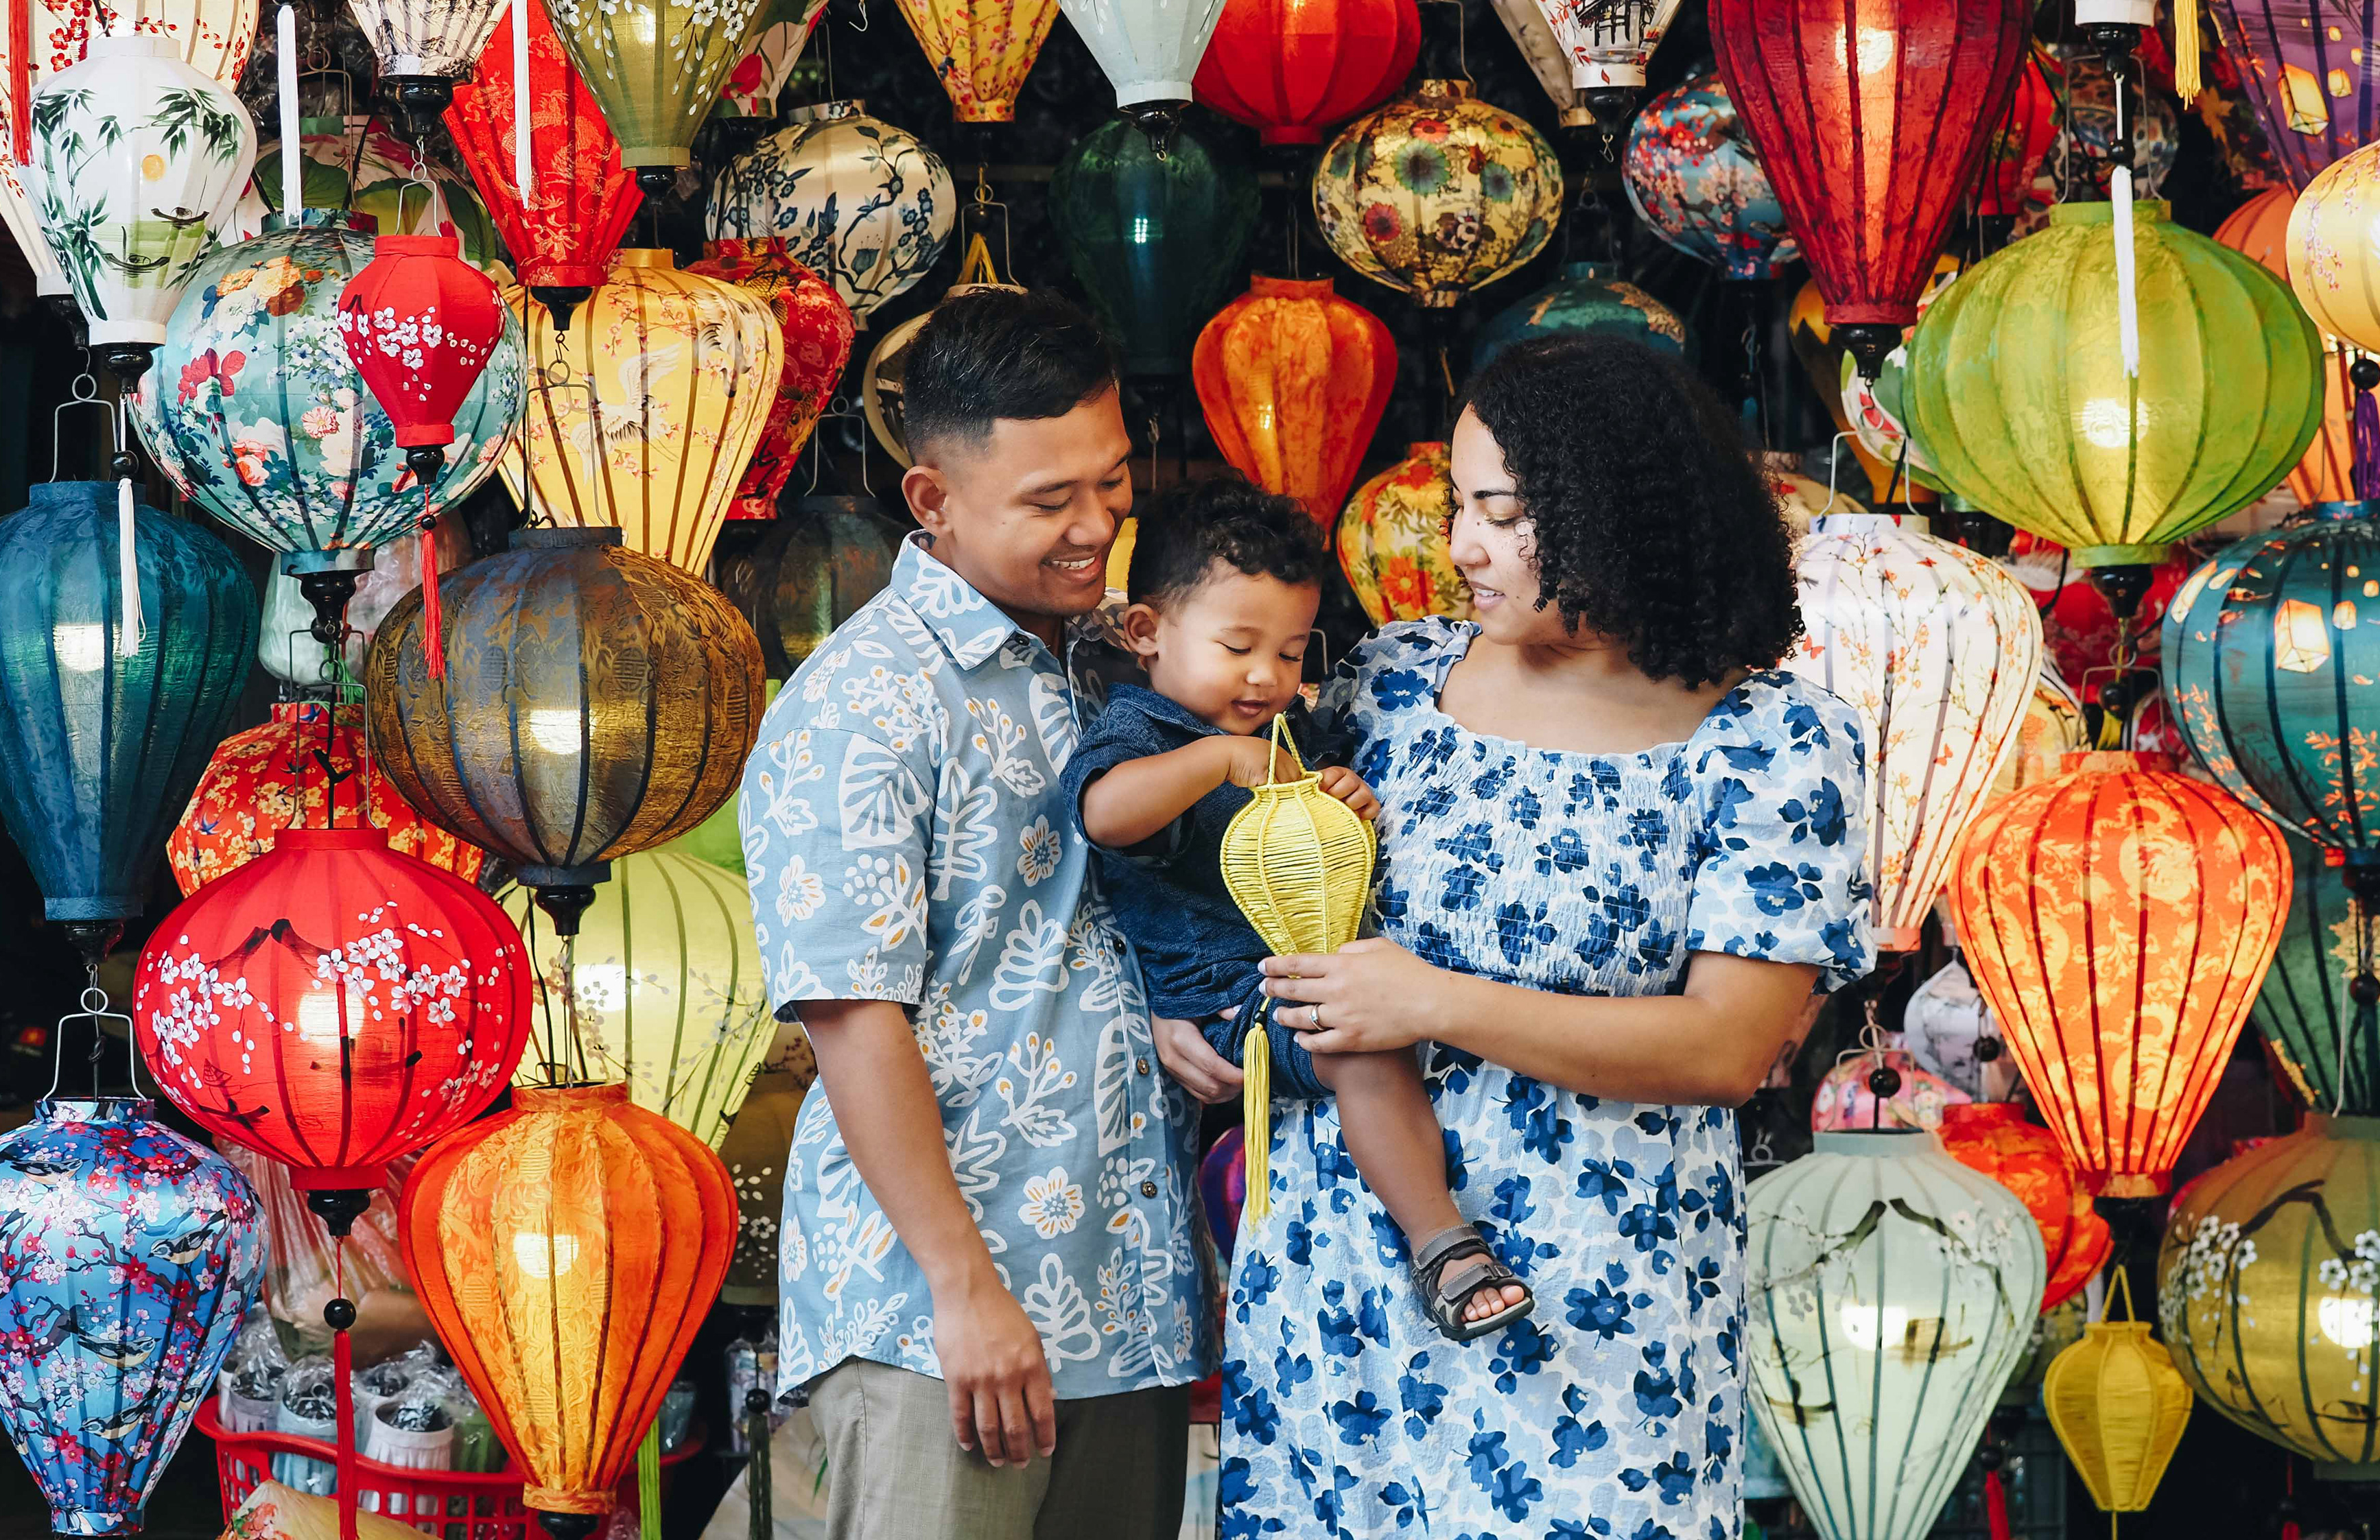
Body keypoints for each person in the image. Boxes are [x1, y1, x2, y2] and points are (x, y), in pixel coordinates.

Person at [1204, 337, 1874, 1538]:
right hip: (1340, 1274)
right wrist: (1185, 1004)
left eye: (1506, 515)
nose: (1463, 547)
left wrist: (1433, 1001)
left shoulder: (1773, 741)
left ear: (1615, 516)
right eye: (1461, 507)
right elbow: (1231, 860)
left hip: (1600, 1296)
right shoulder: (1390, 683)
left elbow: (1728, 1048)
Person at [740, 289, 1211, 1540]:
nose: (1097, 525)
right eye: (1050, 501)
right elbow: (854, 1016)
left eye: (1111, 481)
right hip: (939, 1319)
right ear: (933, 500)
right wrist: (963, 1287)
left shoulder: (1120, 660)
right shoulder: (864, 702)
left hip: (1130, 1295)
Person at [1061, 478, 1535, 1342]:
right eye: (1237, 646)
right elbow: (1104, 813)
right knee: (1361, 1045)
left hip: (1295, 977)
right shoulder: (1143, 733)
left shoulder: (1288, 730)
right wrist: (1218, 760)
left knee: (1366, 1026)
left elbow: (1313, 818)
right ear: (1146, 631)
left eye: (1288, 652)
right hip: (1226, 1000)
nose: (1266, 676)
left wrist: (1341, 794)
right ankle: (1443, 1242)